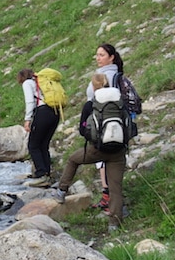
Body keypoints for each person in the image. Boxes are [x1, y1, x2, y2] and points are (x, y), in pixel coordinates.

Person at [52, 73, 127, 233]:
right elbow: (129, 125)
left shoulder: (91, 105)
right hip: (118, 152)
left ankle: (61, 191)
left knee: (73, 160)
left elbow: (82, 129)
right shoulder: (120, 102)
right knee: (115, 187)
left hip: (97, 149)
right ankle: (114, 224)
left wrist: (94, 139)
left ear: (93, 86)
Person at [86, 43, 124, 209]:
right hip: (115, 122)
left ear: (111, 57)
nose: (98, 58)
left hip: (104, 121)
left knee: (103, 159)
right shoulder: (115, 74)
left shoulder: (106, 75)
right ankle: (110, 198)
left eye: (101, 55)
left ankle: (108, 198)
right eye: (97, 55)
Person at [18, 68, 61, 187]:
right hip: (55, 113)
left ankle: (41, 174)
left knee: (33, 145)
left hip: (42, 112)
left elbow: (30, 102)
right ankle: (47, 172)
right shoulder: (41, 82)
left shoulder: (28, 83)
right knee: (43, 145)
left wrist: (27, 119)